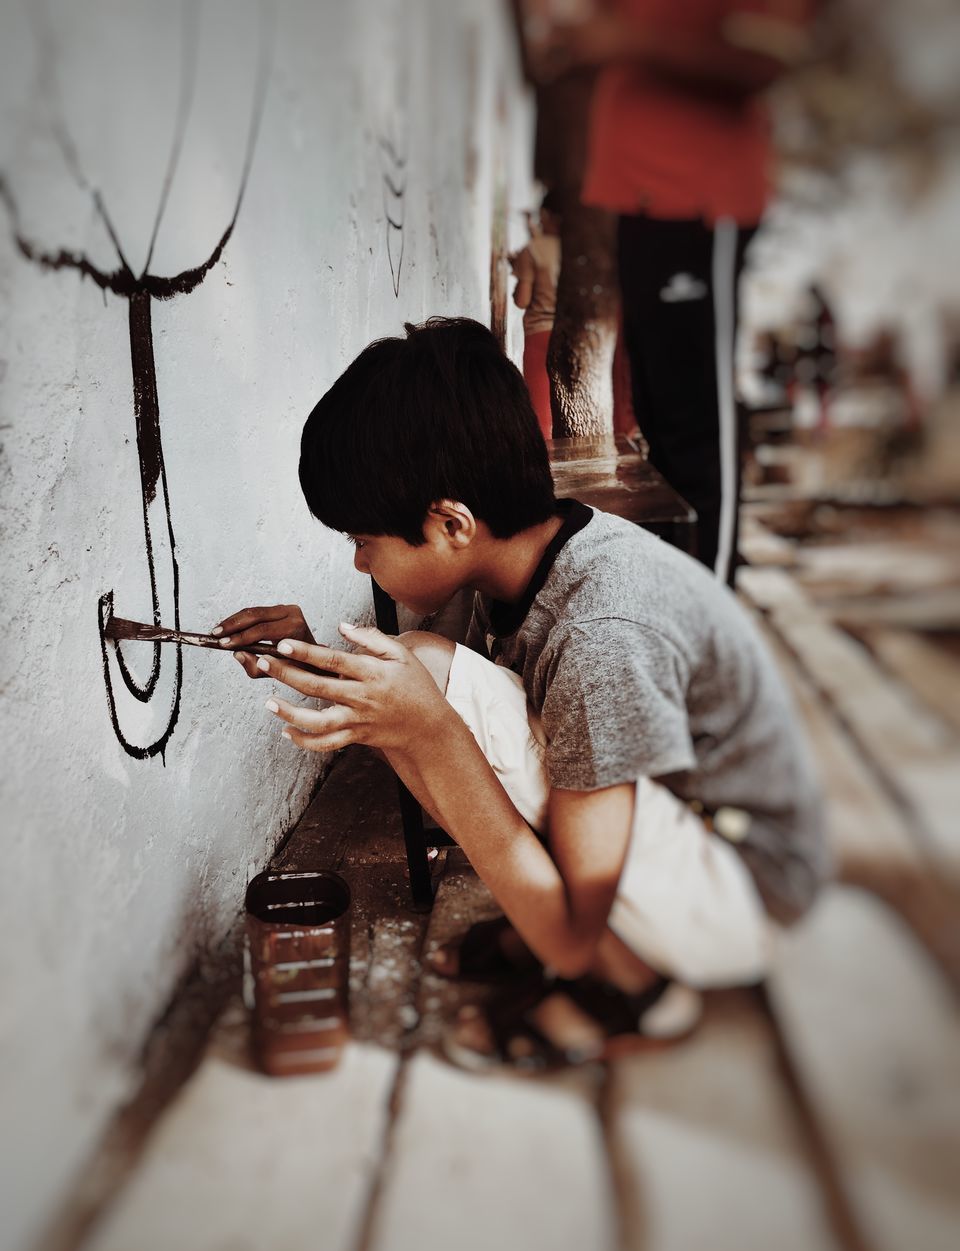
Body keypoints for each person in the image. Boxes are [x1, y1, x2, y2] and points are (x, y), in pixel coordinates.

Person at [216, 318, 828, 1071]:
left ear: (450, 524)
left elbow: (454, 728)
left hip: (745, 890)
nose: (357, 560)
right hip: (678, 830)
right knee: (420, 680)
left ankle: (631, 988)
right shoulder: (524, 554)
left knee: (428, 688)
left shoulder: (603, 630)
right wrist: (306, 652)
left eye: (364, 539)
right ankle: (600, 945)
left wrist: (432, 732)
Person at [538, 1, 815, 583]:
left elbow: (769, 56)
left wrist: (624, 40)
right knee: (659, 431)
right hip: (635, 197)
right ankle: (675, 615)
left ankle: (713, 626)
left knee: (694, 436)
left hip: (698, 200)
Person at [509, 197, 562, 440]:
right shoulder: (577, 247)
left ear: (548, 216)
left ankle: (547, 465)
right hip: (571, 333)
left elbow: (522, 300)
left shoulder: (533, 250)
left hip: (539, 333)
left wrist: (518, 275)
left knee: (541, 412)